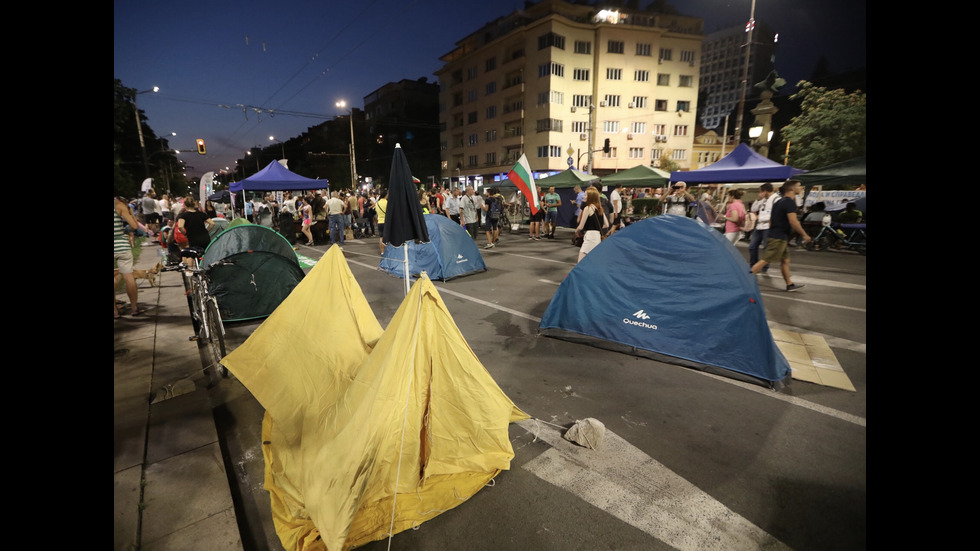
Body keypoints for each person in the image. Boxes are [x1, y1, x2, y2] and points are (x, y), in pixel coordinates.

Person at [750, 180, 811, 291]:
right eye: (799, 186)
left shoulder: (778, 202)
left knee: (785, 260)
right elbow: (793, 221)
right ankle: (746, 279)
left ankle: (789, 284)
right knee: (765, 259)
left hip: (777, 235)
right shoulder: (789, 202)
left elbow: (771, 220)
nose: (801, 187)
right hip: (779, 237)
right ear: (791, 189)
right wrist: (804, 234)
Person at [115, 195, 148, 318]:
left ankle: (115, 312)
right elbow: (134, 226)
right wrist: (131, 214)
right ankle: (134, 308)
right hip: (121, 246)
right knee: (129, 277)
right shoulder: (119, 205)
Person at [574, 187, 609, 263]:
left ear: (590, 197)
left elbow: (581, 226)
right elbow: (606, 224)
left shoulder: (588, 208)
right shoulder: (599, 208)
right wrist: (596, 227)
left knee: (580, 263)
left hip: (590, 237)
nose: (583, 196)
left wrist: (576, 232)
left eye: (585, 195)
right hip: (597, 237)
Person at [177, 196, 215, 264]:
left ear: (184, 205)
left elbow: (180, 226)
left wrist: (185, 234)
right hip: (205, 237)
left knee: (192, 255)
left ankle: (190, 271)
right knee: (206, 254)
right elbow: (212, 223)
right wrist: (206, 230)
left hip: (193, 238)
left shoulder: (183, 215)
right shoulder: (201, 214)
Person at [748, 183, 777, 272]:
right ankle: (753, 264)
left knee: (766, 247)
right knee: (752, 246)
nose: (760, 193)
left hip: (768, 227)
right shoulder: (763, 199)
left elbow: (775, 215)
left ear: (765, 191)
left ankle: (764, 267)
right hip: (759, 226)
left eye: (761, 191)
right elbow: (754, 209)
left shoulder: (776, 199)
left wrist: (759, 218)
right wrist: (758, 199)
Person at [376, 189, 388, 254]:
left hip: (380, 222)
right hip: (386, 222)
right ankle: (388, 251)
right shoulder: (387, 202)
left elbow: (377, 212)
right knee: (388, 237)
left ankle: (382, 251)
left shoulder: (377, 203)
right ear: (386, 195)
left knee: (381, 237)